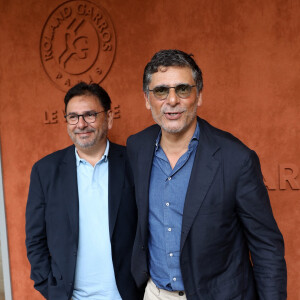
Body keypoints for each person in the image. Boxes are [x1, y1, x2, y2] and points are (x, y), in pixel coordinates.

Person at [127, 49, 287, 300]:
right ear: (147, 99)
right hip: (155, 293)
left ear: (198, 95)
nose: (172, 101)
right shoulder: (137, 147)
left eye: (182, 89)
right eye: (161, 91)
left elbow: (266, 247)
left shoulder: (237, 159)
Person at [26, 82, 143, 300]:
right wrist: (50, 289)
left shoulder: (135, 163)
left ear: (108, 118)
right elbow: (35, 238)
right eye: (73, 117)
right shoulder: (45, 171)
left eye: (90, 115)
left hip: (127, 295)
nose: (81, 124)